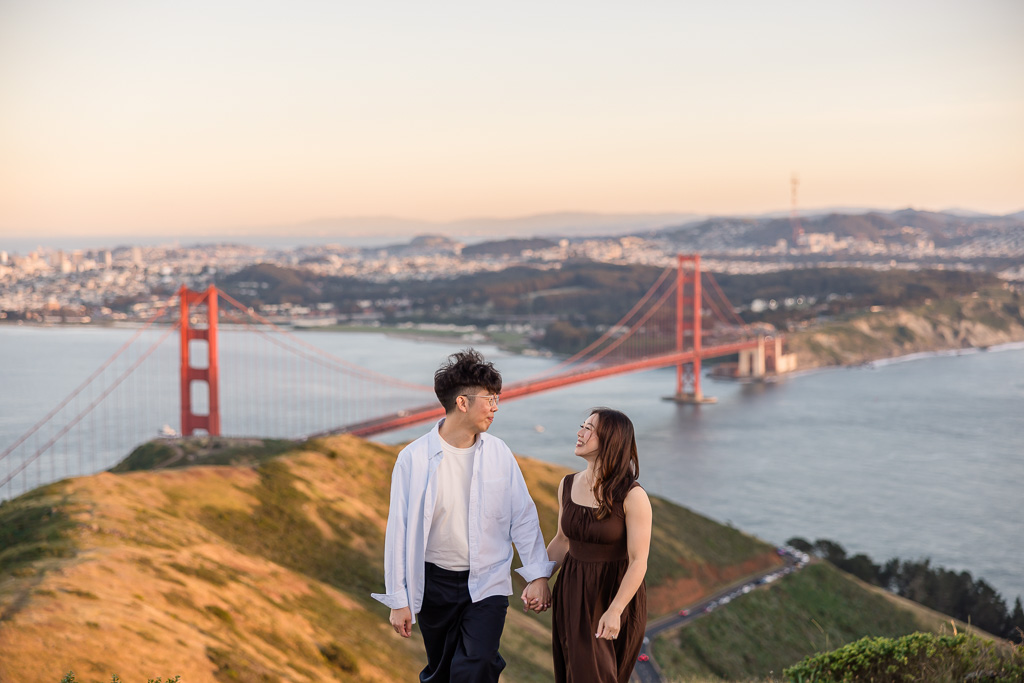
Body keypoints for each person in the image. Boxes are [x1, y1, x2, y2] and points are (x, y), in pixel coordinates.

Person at [371, 349, 555, 683]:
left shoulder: (499, 453)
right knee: (442, 672)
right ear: (462, 403)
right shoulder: (412, 459)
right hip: (433, 583)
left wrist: (537, 575)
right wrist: (398, 599)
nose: (496, 407)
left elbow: (523, 517)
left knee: (478, 663)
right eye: (490, 399)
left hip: (488, 581)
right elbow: (399, 531)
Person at [545, 407, 652, 683]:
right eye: (582, 426)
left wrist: (615, 610)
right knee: (575, 673)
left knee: (600, 676)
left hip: (613, 596)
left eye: (589, 429)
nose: (579, 433)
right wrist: (539, 578)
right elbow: (562, 540)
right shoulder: (567, 485)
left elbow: (639, 560)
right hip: (571, 592)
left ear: (611, 440)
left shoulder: (633, 496)